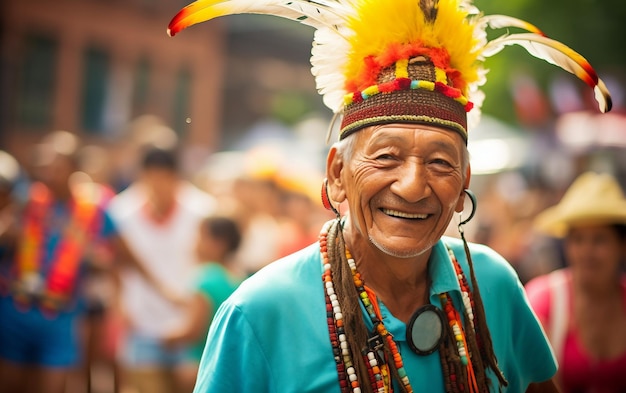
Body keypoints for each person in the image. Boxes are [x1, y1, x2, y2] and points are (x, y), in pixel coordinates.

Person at [167, 0, 611, 392]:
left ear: (463, 185)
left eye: (440, 162)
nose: (413, 186)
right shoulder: (259, 313)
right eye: (386, 157)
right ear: (337, 174)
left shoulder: (492, 285)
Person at [0, 131, 168, 393]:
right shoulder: (25, 201)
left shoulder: (94, 208)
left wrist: (89, 252)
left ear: (75, 169)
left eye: (59, 165)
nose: (50, 172)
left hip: (59, 317)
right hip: (15, 313)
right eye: (46, 165)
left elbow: (120, 258)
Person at [107, 146, 216, 393]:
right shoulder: (122, 212)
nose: (158, 185)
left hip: (190, 327)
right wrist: (119, 306)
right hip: (142, 322)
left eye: (164, 178)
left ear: (176, 177)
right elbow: (115, 262)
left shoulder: (203, 210)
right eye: (151, 177)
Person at [525, 172, 626, 393]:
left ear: (622, 245)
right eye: (578, 239)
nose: (586, 252)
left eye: (599, 240)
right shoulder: (543, 300)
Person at [164, 215, 244, 392]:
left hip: (199, 366)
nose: (195, 244)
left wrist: (167, 338)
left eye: (201, 237)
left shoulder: (205, 277)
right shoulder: (239, 277)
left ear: (219, 244)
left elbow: (193, 331)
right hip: (230, 367)